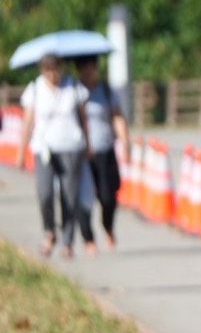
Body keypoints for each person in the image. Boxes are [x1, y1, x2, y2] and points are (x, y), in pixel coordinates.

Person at [17, 54, 91, 259]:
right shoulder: (35, 89)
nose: (52, 75)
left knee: (69, 196)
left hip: (71, 146)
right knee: (45, 193)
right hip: (44, 148)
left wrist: (88, 144)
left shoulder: (74, 88)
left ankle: (68, 241)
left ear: (62, 68)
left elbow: (85, 119)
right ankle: (49, 231)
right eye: (47, 70)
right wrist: (21, 151)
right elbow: (28, 122)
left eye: (55, 70)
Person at [72, 56, 129, 250]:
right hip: (81, 153)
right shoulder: (74, 91)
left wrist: (125, 142)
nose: (88, 72)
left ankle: (108, 226)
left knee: (108, 196)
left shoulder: (105, 90)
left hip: (104, 150)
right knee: (84, 197)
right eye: (84, 68)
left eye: (91, 68)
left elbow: (117, 117)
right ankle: (88, 238)